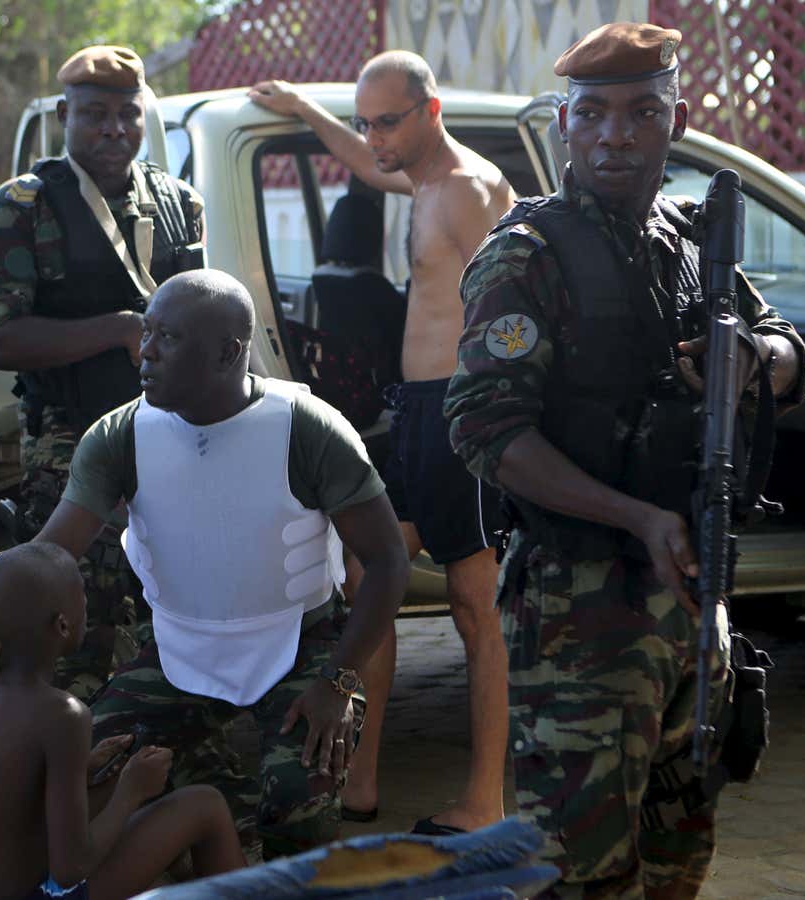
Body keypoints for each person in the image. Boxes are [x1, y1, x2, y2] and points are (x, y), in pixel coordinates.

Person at [442, 23, 805, 896]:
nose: (616, 135)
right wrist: (636, 517)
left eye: (641, 113)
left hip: (690, 607)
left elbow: (789, 349)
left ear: (675, 121)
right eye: (594, 115)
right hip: (579, 613)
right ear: (565, 125)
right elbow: (484, 431)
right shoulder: (526, 255)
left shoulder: (689, 246)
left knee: (683, 851)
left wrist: (752, 356)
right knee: (578, 874)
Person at [0, 270, 410, 860]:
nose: (144, 351)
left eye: (166, 337)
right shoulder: (121, 435)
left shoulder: (309, 428)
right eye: (145, 333)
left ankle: (253, 828)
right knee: (84, 775)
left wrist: (340, 681)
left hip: (301, 644)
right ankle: (214, 812)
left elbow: (386, 562)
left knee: (298, 812)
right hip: (177, 647)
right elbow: (49, 553)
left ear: (228, 352)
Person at [248, 50, 515, 835]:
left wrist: (495, 419)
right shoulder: (421, 174)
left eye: (387, 121)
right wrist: (304, 108)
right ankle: (359, 782)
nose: (374, 139)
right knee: (371, 570)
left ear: (430, 113)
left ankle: (485, 800)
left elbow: (515, 311)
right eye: (366, 122)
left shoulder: (464, 191)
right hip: (415, 417)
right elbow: (365, 161)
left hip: (461, 417)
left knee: (477, 609)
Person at [0, 45, 205, 702]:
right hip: (72, 449)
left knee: (175, 625)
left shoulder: (178, 201)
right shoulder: (24, 206)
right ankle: (71, 769)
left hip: (173, 443)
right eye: (95, 114)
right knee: (80, 630)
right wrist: (120, 330)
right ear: (64, 117)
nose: (114, 130)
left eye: (128, 114)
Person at [0, 542, 244, 900]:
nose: (87, 604)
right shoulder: (62, 714)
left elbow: (7, 795)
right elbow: (70, 868)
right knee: (204, 804)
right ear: (62, 625)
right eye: (82, 595)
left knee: (109, 786)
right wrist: (132, 791)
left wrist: (82, 770)